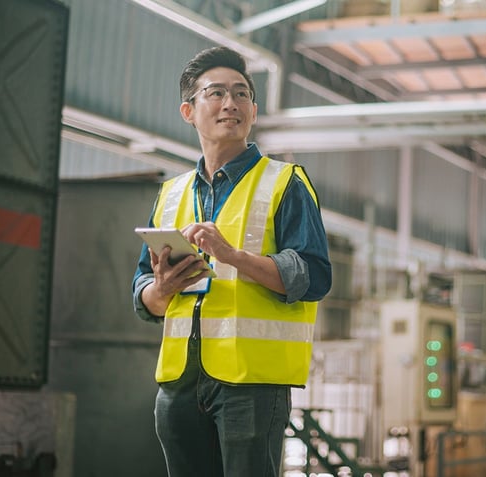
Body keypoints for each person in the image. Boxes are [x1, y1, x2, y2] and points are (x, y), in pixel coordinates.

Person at [131, 46, 332, 477]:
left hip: (251, 385)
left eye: (241, 94)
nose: (231, 104)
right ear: (189, 110)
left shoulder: (285, 183)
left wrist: (232, 257)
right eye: (216, 93)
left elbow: (314, 276)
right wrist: (162, 289)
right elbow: (143, 295)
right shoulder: (171, 194)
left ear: (254, 111)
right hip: (179, 384)